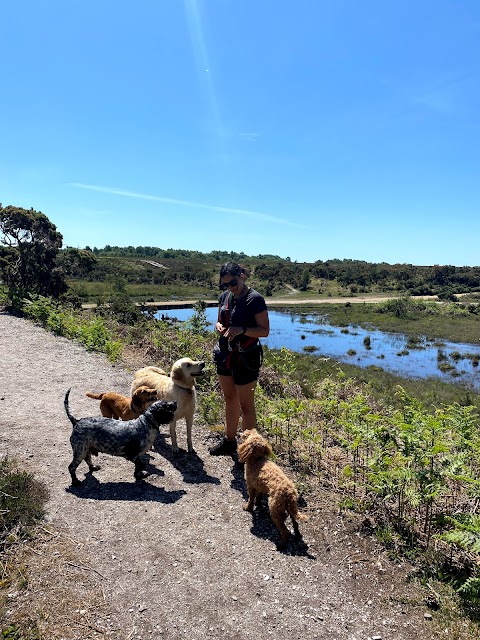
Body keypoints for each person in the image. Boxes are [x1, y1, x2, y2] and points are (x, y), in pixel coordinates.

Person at [209, 262, 270, 455]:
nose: (229, 288)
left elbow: (264, 331)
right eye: (224, 284)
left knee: (246, 406)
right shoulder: (225, 297)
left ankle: (248, 451)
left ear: (241, 276)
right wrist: (218, 326)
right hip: (225, 354)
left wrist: (242, 330)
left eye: (232, 283)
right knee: (229, 398)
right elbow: (220, 320)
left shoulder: (255, 299)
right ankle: (229, 442)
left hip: (246, 358)